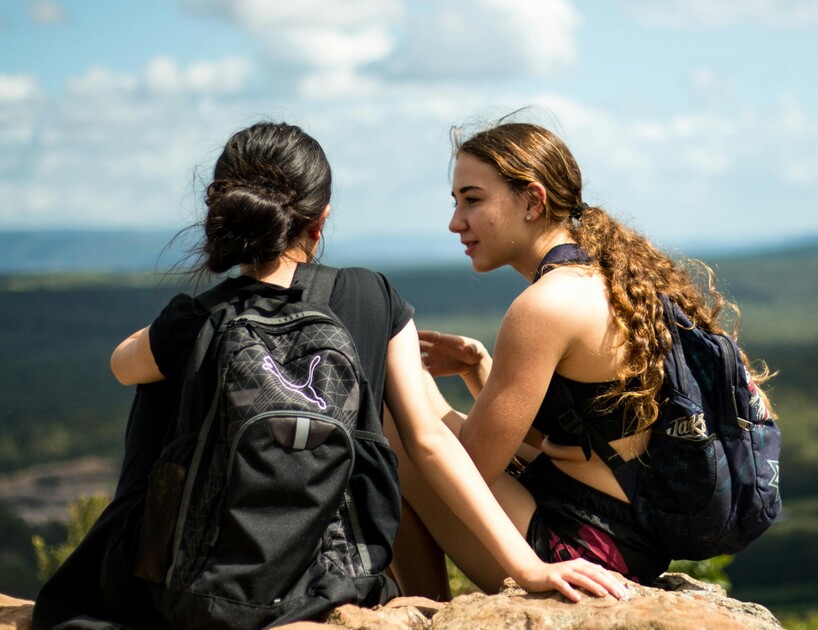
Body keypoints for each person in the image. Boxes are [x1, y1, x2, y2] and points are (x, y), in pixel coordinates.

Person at [33, 122, 626, 629]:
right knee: (391, 413)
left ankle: (148, 562)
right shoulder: (371, 296)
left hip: (204, 592)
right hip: (337, 580)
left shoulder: (201, 318)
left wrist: (188, 323)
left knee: (156, 381)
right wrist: (527, 569)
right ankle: (426, 602)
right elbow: (428, 441)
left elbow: (121, 364)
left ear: (226, 214)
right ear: (320, 222)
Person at [392, 118, 772, 598]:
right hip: (623, 539)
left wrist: (412, 386)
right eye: (456, 202)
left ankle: (421, 611)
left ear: (532, 200)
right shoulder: (610, 279)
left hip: (577, 550)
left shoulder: (545, 305)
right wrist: (478, 368)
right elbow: (575, 435)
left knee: (394, 419)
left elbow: (472, 465)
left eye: (472, 200)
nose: (456, 222)